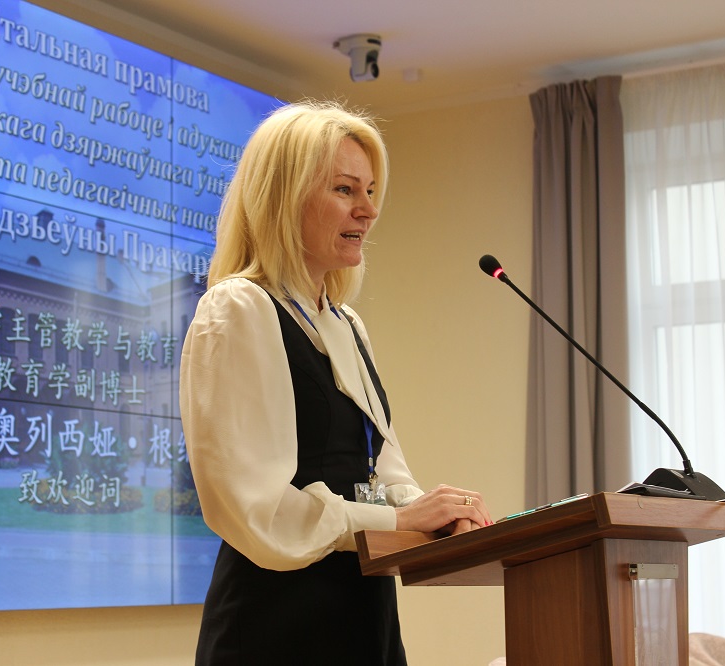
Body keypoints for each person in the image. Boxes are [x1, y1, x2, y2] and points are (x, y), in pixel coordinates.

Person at [179, 100, 492, 665]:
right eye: (345, 190)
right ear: (283, 197)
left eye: (369, 191)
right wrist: (398, 519)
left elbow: (383, 473)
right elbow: (255, 508)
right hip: (277, 624)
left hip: (365, 614)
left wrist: (438, 514)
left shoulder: (347, 325)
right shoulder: (239, 308)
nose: (368, 211)